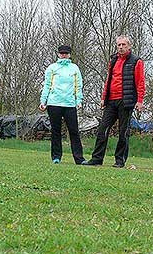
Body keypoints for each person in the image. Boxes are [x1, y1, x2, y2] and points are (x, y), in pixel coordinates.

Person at [82, 35, 145, 168]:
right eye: (119, 45)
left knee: (123, 132)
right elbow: (108, 80)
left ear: (129, 46)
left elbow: (140, 82)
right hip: (111, 101)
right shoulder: (113, 60)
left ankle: (120, 161)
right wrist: (103, 98)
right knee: (102, 130)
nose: (121, 47)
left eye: (123, 45)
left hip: (126, 101)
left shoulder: (136, 61)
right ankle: (96, 159)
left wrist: (140, 100)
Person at [39, 45, 86, 164]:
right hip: (54, 103)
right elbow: (47, 85)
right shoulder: (52, 68)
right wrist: (43, 101)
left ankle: (79, 158)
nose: (63, 55)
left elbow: (78, 85)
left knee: (74, 131)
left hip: (70, 104)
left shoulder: (75, 68)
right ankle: (56, 157)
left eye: (66, 53)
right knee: (56, 131)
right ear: (58, 54)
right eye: (61, 53)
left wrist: (78, 100)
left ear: (69, 54)